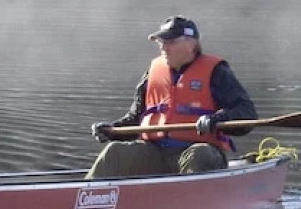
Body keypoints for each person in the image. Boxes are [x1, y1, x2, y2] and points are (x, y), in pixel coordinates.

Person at [87, 15, 257, 180]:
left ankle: (187, 202)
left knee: (200, 155)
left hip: (196, 152)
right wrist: (112, 130)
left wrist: (217, 119)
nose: (163, 48)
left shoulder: (217, 72)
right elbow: (136, 118)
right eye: (162, 42)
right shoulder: (153, 72)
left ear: (191, 44)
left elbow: (246, 113)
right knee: (115, 151)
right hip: (155, 153)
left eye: (171, 42)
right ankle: (84, 196)